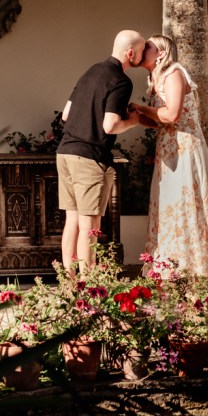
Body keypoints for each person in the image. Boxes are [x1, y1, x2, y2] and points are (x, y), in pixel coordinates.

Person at [134, 34, 208, 275]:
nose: (143, 49)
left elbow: (172, 114)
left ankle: (192, 269)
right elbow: (161, 121)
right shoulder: (156, 77)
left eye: (149, 47)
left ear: (161, 54)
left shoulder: (173, 72)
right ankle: (169, 269)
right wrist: (136, 117)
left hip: (184, 150)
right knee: (169, 207)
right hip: (168, 149)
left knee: (184, 206)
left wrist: (141, 108)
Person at [57, 29, 146, 270]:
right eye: (140, 52)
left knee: (72, 222)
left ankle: (69, 284)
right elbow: (110, 125)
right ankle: (88, 288)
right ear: (130, 53)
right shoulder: (121, 81)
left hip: (65, 152)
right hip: (89, 157)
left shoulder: (90, 72)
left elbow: (66, 115)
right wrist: (134, 121)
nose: (143, 55)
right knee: (90, 226)